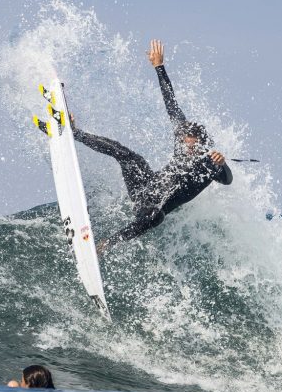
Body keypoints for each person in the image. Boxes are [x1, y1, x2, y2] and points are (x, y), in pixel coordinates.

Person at [73, 39, 233, 251]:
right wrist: (159, 67)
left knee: (157, 216)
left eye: (192, 146)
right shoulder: (182, 140)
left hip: (150, 208)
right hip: (144, 187)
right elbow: (171, 103)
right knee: (128, 155)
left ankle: (105, 245)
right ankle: (75, 133)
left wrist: (222, 164)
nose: (187, 149)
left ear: (202, 145)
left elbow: (228, 180)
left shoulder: (208, 166)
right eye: (185, 144)